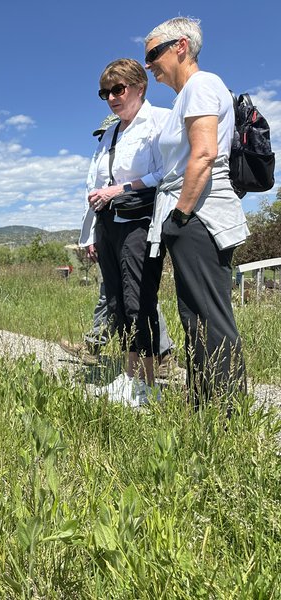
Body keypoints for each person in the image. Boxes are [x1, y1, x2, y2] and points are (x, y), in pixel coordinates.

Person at [144, 17, 248, 409]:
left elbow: (203, 155)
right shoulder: (184, 95)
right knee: (196, 317)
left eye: (154, 53)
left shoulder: (202, 85)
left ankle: (225, 415)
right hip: (193, 214)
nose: (149, 63)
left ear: (181, 47)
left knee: (208, 315)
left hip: (200, 216)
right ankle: (205, 406)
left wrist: (181, 216)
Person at [78, 58, 170, 406]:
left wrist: (121, 190)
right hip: (108, 223)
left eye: (118, 89)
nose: (112, 98)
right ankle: (129, 376)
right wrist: (89, 235)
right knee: (116, 303)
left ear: (139, 87)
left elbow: (166, 172)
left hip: (140, 221)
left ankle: (147, 384)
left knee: (138, 300)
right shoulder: (111, 131)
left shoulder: (159, 121)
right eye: (105, 93)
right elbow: (95, 184)